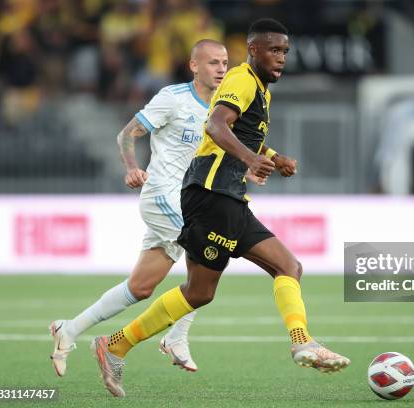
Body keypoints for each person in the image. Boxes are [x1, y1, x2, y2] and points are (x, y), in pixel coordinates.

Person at [91, 18, 350, 398]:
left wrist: (273, 157)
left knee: (256, 275)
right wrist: (248, 158)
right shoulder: (243, 79)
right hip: (212, 193)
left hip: (223, 195)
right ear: (253, 50)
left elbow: (238, 131)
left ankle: (114, 345)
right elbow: (215, 126)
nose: (281, 58)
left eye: (285, 52)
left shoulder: (260, 89)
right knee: (215, 286)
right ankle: (301, 342)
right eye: (274, 50)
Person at [50, 39, 248, 377]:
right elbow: (127, 134)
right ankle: (177, 337)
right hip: (160, 196)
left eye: (225, 62)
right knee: (206, 252)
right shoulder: (173, 98)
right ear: (194, 66)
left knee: (140, 287)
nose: (221, 69)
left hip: (189, 203)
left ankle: (68, 329)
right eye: (213, 62)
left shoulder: (223, 108)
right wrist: (130, 167)